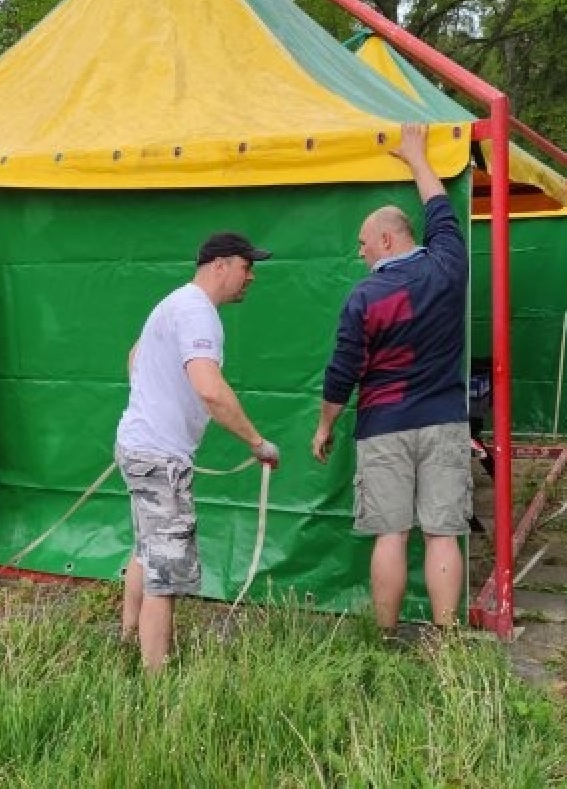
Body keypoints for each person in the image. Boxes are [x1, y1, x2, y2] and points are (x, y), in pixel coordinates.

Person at [311, 122, 471, 638]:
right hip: (445, 422)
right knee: (444, 535)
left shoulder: (363, 298)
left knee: (391, 536)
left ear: (386, 238)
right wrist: (418, 158)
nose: (360, 253)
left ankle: (384, 636)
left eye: (363, 243)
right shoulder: (449, 266)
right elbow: (441, 212)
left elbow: (342, 374)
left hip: (383, 428)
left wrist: (324, 426)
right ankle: (448, 642)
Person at [115, 232, 282, 670]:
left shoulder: (175, 303)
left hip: (139, 446)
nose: (251, 277)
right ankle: (156, 681)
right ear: (220, 265)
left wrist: (150, 401)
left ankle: (127, 639)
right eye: (247, 267)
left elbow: (134, 356)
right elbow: (210, 390)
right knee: (164, 576)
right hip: (158, 456)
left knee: (147, 548)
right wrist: (257, 442)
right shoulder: (197, 312)